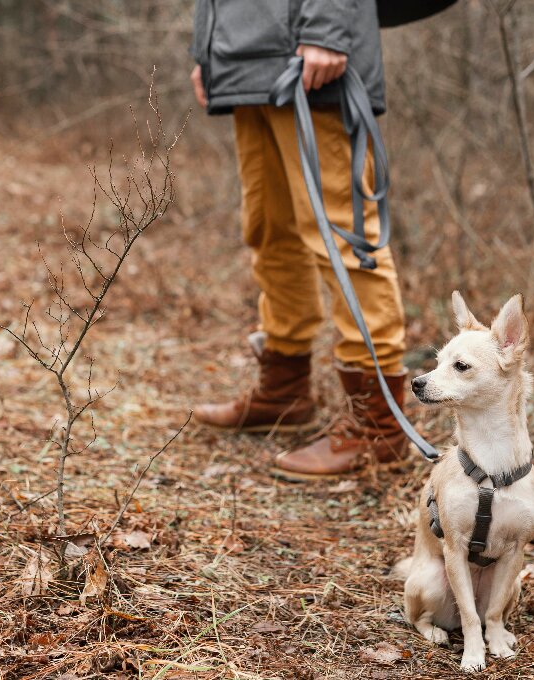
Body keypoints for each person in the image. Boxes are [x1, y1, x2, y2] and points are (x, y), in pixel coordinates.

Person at [189, 1, 411, 481]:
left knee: (345, 238)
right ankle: (284, 389)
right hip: (247, 62)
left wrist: (328, 29)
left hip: (310, 58)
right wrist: (208, 53)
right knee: (270, 230)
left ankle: (379, 423)